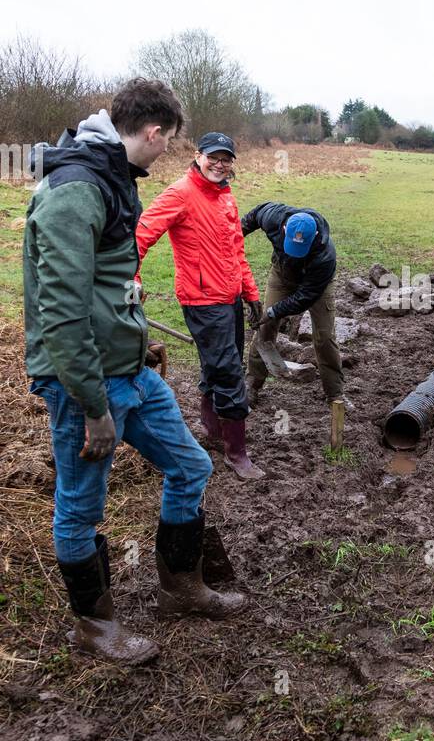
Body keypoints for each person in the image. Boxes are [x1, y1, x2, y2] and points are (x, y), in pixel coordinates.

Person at [24, 79, 245, 669]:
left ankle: (180, 587)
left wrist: (136, 339)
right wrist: (94, 407)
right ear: (152, 132)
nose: (167, 151)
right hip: (85, 383)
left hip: (129, 370)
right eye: (169, 141)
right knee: (80, 507)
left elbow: (111, 284)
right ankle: (94, 627)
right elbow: (62, 314)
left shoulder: (112, 177)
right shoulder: (74, 191)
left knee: (191, 466)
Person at [136, 133, 265, 479]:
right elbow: (140, 236)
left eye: (226, 159)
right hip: (202, 299)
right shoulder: (181, 193)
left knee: (220, 364)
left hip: (229, 297)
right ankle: (237, 454)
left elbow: (237, 250)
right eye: (214, 157)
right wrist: (129, 282)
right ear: (198, 155)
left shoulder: (225, 196)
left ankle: (213, 431)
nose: (220, 164)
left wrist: (250, 292)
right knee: (228, 372)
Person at [241, 203, 346, 406]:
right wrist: (234, 238)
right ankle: (252, 382)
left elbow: (305, 297)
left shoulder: (325, 256)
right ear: (284, 229)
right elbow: (251, 218)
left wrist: (274, 310)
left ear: (315, 235)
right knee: (266, 327)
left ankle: (334, 392)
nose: (295, 253)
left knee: (324, 335)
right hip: (282, 274)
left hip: (316, 284)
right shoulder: (273, 216)